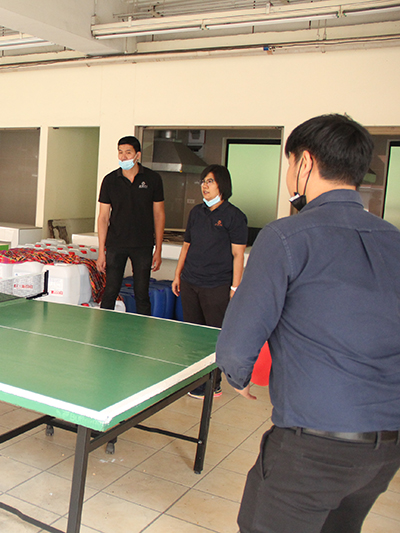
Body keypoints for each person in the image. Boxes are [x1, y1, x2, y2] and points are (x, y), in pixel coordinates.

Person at [216, 114, 400, 533]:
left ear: (305, 163)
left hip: (313, 448)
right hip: (386, 449)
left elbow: (236, 344)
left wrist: (238, 375)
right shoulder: (394, 240)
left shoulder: (285, 237)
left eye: (289, 161)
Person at [171, 164, 247, 398]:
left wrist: (235, 287)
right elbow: (187, 246)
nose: (204, 185)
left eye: (210, 181)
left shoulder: (234, 216)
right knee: (193, 334)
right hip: (190, 281)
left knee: (214, 336)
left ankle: (213, 382)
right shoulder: (196, 213)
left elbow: (238, 255)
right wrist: (177, 275)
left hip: (217, 285)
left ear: (222, 185)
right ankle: (196, 380)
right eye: (203, 181)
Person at [97, 136, 165, 314]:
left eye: (128, 152)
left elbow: (159, 215)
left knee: (142, 293)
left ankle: (143, 332)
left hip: (142, 244)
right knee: (110, 290)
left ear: (137, 155)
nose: (123, 156)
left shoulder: (153, 179)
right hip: (115, 244)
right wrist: (101, 252)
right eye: (120, 152)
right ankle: (104, 328)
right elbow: (103, 217)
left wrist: (158, 249)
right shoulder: (110, 180)